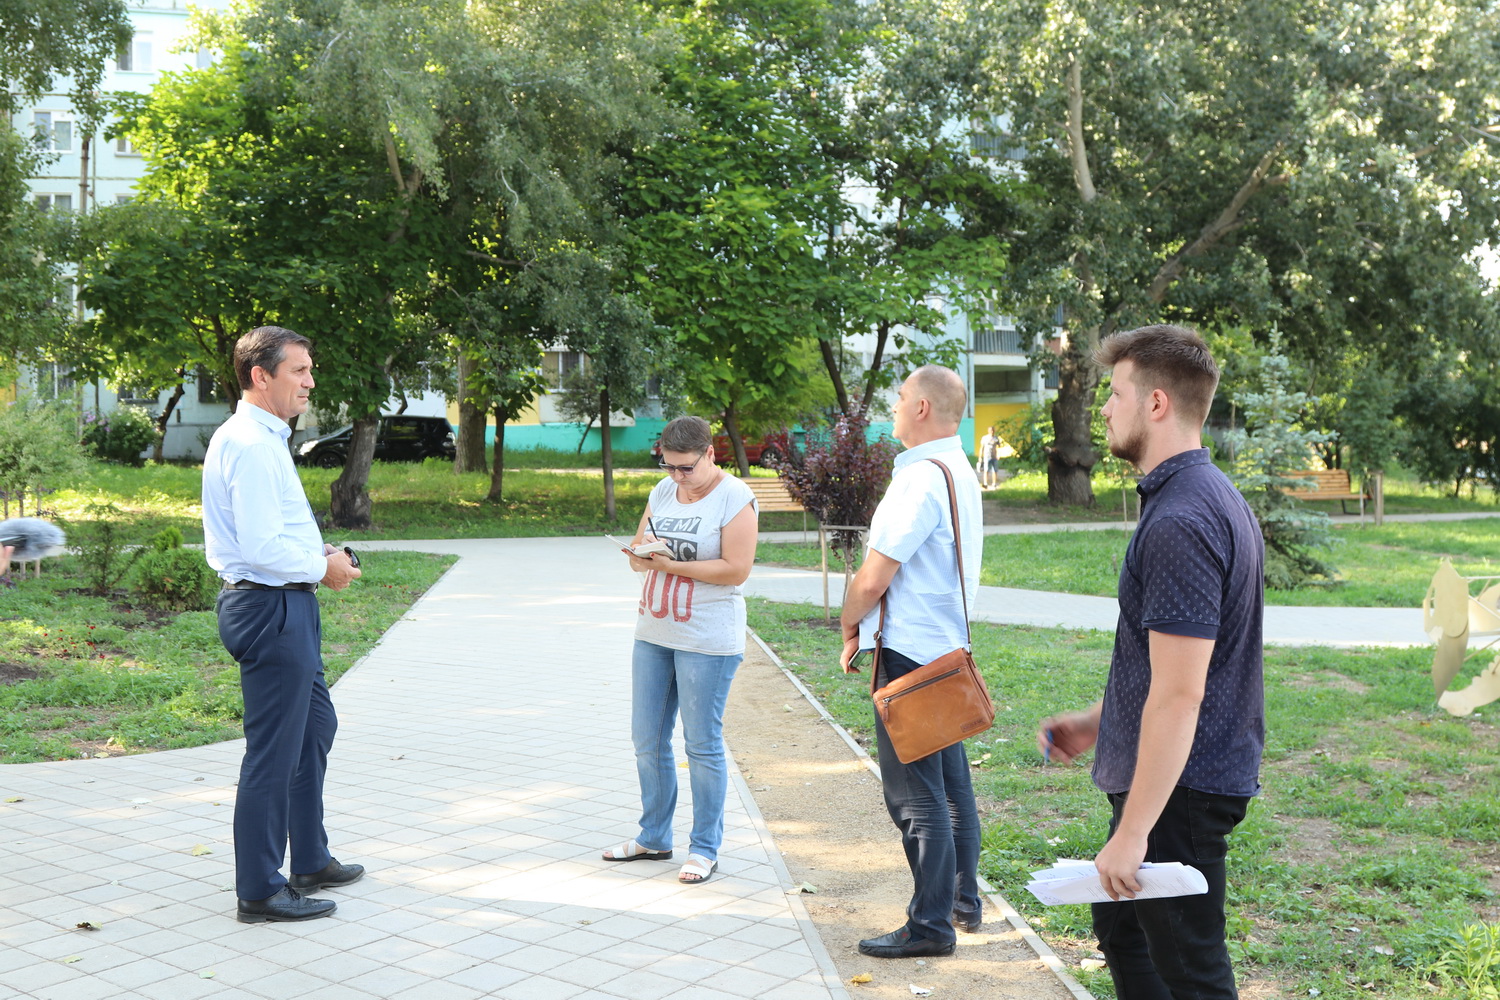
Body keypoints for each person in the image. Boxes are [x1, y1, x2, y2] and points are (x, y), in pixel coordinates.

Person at [1037, 324, 1264, 1000]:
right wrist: (1098, 721)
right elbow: (1181, 668)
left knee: (1191, 972)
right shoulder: (1202, 497)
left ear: (1156, 403)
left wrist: (1135, 831)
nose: (1104, 408)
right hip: (1171, 777)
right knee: (1124, 933)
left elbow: (1181, 694)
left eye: (1115, 393)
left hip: (1180, 791)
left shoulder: (1181, 521)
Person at [202, 325, 365, 923]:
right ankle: (259, 890)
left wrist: (321, 554)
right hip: (269, 608)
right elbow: (261, 547)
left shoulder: (264, 437)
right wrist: (323, 568)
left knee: (315, 727)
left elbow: (275, 531)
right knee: (273, 752)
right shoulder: (248, 442)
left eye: (309, 369)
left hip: (286, 605)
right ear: (260, 375)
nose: (310, 381)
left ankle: (310, 859)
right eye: (299, 370)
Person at [838, 365, 983, 958]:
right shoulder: (957, 470)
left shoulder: (920, 478)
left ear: (922, 407)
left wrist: (848, 622)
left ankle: (929, 927)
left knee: (915, 798)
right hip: (944, 652)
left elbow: (874, 577)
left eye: (899, 398)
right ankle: (961, 903)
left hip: (908, 653)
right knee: (951, 787)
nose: (893, 407)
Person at [602, 415, 759, 886]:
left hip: (707, 640)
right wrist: (640, 556)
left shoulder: (735, 497)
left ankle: (705, 848)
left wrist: (672, 566)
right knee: (646, 739)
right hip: (654, 632)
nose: (676, 476)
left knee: (702, 744)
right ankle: (653, 837)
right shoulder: (663, 491)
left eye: (685, 467)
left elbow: (736, 570)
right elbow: (638, 555)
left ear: (710, 453)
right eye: (668, 466)